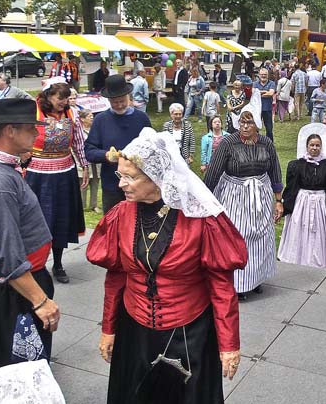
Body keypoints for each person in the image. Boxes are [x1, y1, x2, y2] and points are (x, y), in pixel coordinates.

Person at [87, 128, 247, 403]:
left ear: (157, 178)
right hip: (135, 330)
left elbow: (221, 288)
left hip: (189, 332)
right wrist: (108, 329)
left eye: (130, 177)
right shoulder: (120, 215)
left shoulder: (198, 218)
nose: (121, 184)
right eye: (120, 175)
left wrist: (229, 345)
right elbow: (116, 279)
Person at [0, 98, 61, 368]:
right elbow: (6, 255)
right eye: (31, 128)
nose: (36, 133)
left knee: (21, 366)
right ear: (10, 130)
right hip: (16, 292)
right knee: (20, 372)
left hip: (17, 286)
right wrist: (40, 300)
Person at [204, 93, 283, 301]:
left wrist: (278, 200)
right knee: (240, 235)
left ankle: (255, 279)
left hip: (261, 194)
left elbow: (275, 171)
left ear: (257, 124)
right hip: (235, 195)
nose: (245, 126)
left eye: (249, 122)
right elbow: (213, 172)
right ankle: (238, 283)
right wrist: (204, 198)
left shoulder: (266, 143)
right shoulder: (228, 143)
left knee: (261, 236)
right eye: (242, 122)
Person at [25, 77, 90, 284]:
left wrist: (85, 166)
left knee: (61, 219)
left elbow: (79, 141)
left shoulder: (71, 113)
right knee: (39, 220)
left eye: (66, 97)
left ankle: (59, 263)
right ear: (48, 95)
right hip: (38, 174)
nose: (64, 101)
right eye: (60, 97)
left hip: (64, 172)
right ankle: (37, 264)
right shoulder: (32, 112)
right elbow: (22, 136)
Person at [85, 74, 152, 214]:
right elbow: (89, 151)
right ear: (108, 100)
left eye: (122, 101)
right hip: (112, 184)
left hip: (138, 184)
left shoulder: (141, 118)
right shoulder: (101, 120)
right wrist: (106, 155)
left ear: (129, 96)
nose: (119, 105)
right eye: (115, 102)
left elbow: (152, 148)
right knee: (113, 224)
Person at [277, 125, 326, 270]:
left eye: (317, 145)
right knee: (300, 229)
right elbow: (291, 189)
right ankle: (297, 258)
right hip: (302, 202)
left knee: (318, 232)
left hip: (320, 203)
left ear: (322, 147)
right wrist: (285, 208)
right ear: (306, 147)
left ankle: (318, 260)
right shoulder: (297, 165)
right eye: (311, 145)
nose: (314, 148)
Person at [79, 108, 101, 213]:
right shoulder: (79, 131)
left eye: (92, 115)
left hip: (95, 162)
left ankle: (94, 205)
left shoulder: (95, 129)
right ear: (82, 119)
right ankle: (81, 205)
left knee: (95, 183)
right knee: (83, 184)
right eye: (89, 116)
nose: (92, 117)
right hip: (83, 162)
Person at [253, 67, 276, 140]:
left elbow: (271, 93)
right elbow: (253, 93)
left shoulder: (272, 83)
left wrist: (259, 93)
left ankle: (270, 144)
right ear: (259, 75)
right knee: (255, 128)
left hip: (267, 109)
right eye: (262, 74)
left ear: (268, 75)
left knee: (269, 129)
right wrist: (265, 91)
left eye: (265, 74)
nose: (263, 76)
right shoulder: (255, 83)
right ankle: (255, 142)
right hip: (257, 109)